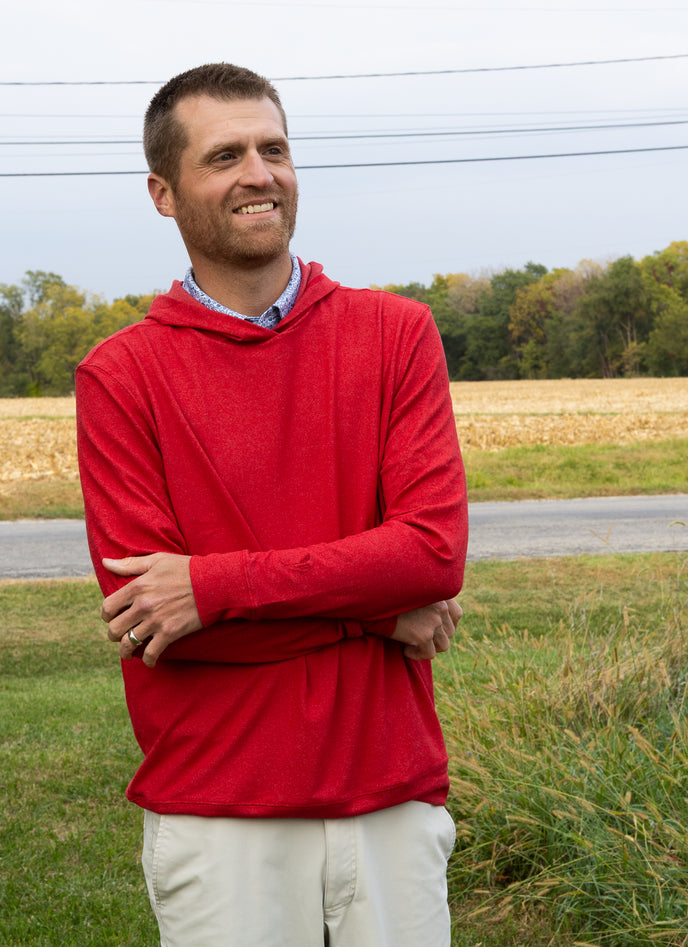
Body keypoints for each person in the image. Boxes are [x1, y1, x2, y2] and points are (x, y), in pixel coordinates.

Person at [75, 62, 469, 947]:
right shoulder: (121, 375)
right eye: (224, 156)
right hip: (220, 813)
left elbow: (430, 558)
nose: (258, 173)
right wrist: (372, 611)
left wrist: (210, 588)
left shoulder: (395, 334)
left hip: (390, 796)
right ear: (163, 193)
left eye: (274, 148)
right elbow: (153, 618)